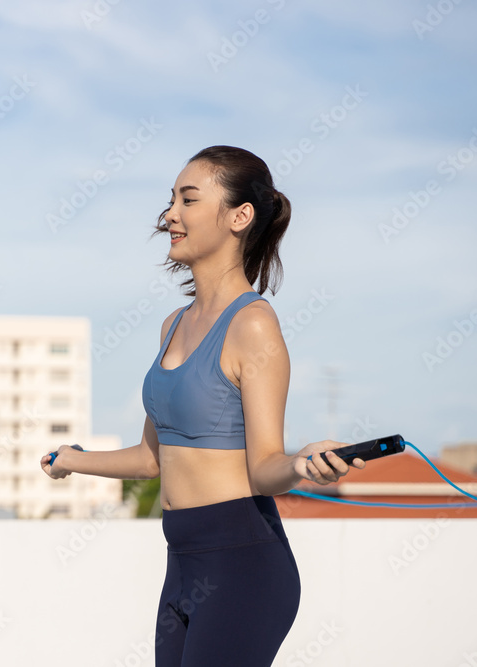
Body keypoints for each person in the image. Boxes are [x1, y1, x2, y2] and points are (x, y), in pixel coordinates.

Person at [40, 145, 366, 666]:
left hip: (244, 565)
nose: (170, 213)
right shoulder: (173, 326)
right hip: (181, 563)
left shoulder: (252, 325)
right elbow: (152, 458)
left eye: (188, 200)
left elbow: (263, 468)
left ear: (240, 216)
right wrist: (73, 460)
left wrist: (305, 462)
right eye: (171, 199)